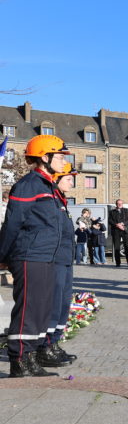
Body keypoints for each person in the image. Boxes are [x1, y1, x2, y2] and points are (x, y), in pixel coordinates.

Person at [0, 134, 71, 377]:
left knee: (40, 310)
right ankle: (19, 360)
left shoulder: (48, 186)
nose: (63, 161)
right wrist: (3, 254)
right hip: (30, 256)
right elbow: (12, 223)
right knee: (29, 309)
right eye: (60, 156)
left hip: (46, 257)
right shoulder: (29, 184)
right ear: (44, 157)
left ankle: (30, 358)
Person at [37, 162, 79, 368]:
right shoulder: (52, 200)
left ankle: (54, 343)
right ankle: (45, 347)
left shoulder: (62, 201)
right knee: (53, 305)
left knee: (63, 304)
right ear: (57, 179)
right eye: (69, 178)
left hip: (65, 261)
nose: (72, 182)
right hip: (55, 261)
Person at [109, 199, 128, 267]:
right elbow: (110, 220)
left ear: (122, 204)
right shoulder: (112, 212)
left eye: (121, 203)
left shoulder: (127, 210)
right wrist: (117, 225)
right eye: (118, 203)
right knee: (117, 247)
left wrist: (122, 224)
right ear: (116, 204)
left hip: (125, 230)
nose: (119, 204)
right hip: (116, 231)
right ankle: (118, 263)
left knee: (127, 247)